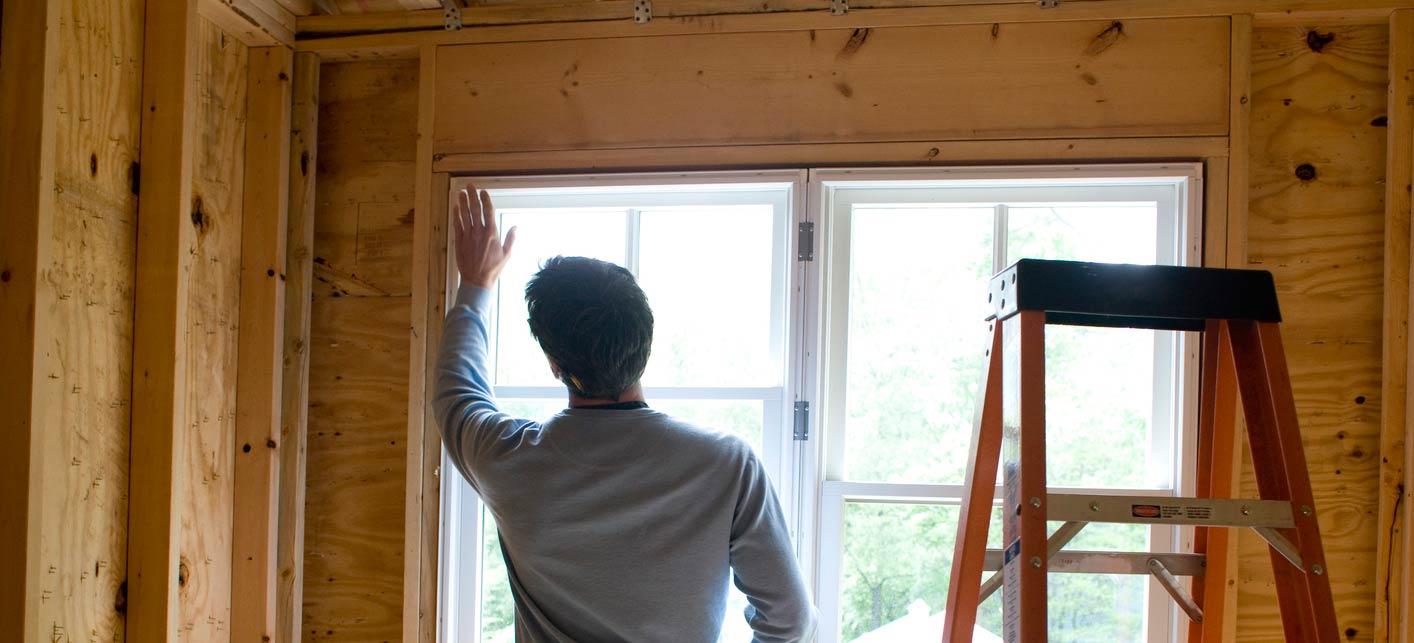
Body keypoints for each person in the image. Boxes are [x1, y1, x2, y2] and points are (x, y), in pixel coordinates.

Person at [433, 186, 818, 642]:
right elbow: (791, 622)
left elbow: (456, 391)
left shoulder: (509, 460)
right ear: (645, 344)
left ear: (556, 365)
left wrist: (476, 286)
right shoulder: (727, 465)